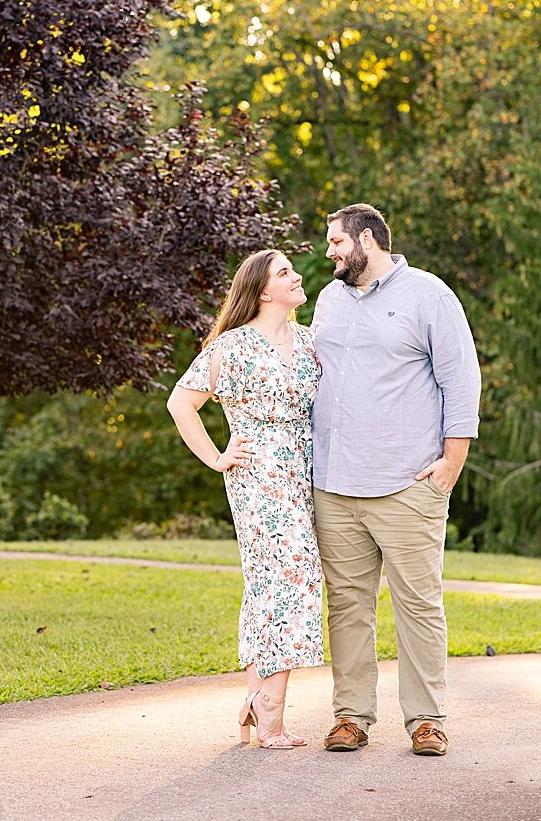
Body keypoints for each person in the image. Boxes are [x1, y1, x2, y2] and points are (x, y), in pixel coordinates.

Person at [311, 203, 479, 758]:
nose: (329, 252)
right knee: (347, 605)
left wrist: (450, 465)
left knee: (418, 604)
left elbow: (461, 380)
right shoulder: (330, 300)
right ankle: (351, 717)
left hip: (408, 482)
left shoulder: (429, 294)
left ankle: (426, 720)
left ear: (367, 239)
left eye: (336, 242)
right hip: (334, 484)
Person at [167, 249, 325, 749]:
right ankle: (272, 713)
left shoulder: (308, 341)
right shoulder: (231, 348)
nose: (297, 276)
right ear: (262, 291)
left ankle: (256, 701)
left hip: (304, 474)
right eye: (284, 273)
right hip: (258, 479)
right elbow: (180, 402)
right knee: (288, 579)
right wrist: (216, 457)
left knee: (269, 585)